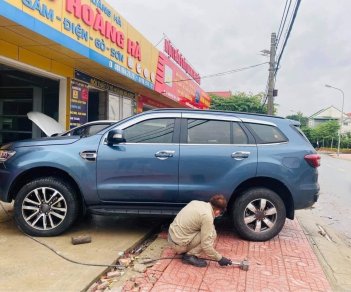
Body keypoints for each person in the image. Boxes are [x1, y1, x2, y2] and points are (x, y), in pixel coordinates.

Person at [168, 194, 232, 267]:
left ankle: (186, 249)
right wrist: (220, 259)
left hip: (171, 238)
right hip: (178, 245)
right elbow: (206, 245)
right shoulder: (207, 216)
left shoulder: (195, 202)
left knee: (209, 229)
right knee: (212, 234)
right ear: (217, 211)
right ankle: (189, 256)